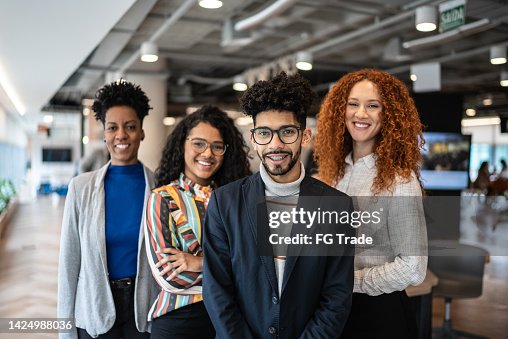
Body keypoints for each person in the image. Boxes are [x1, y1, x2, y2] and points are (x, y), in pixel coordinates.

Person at [203, 72, 355, 338]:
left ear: (304, 136)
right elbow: (217, 290)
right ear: (253, 139)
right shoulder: (224, 202)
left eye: (287, 132)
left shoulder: (337, 206)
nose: (275, 144)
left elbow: (337, 294)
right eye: (264, 133)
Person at [314, 68, 428, 339]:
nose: (360, 114)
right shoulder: (333, 173)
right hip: (334, 310)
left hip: (378, 313)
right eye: (353, 104)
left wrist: (350, 282)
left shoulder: (400, 180)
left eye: (373, 106)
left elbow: (413, 267)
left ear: (388, 115)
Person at [58, 81, 159, 339]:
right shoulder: (80, 188)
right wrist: (65, 331)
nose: (121, 135)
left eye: (130, 127)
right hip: (94, 307)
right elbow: (69, 265)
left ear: (142, 132)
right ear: (104, 133)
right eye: (112, 128)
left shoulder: (160, 189)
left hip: (144, 311)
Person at [144, 106, 251, 339]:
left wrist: (200, 263)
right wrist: (230, 269)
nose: (208, 153)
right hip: (179, 321)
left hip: (229, 320)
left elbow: (253, 266)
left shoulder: (234, 199)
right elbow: (170, 278)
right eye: (199, 143)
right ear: (183, 143)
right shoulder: (162, 198)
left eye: (217, 146)